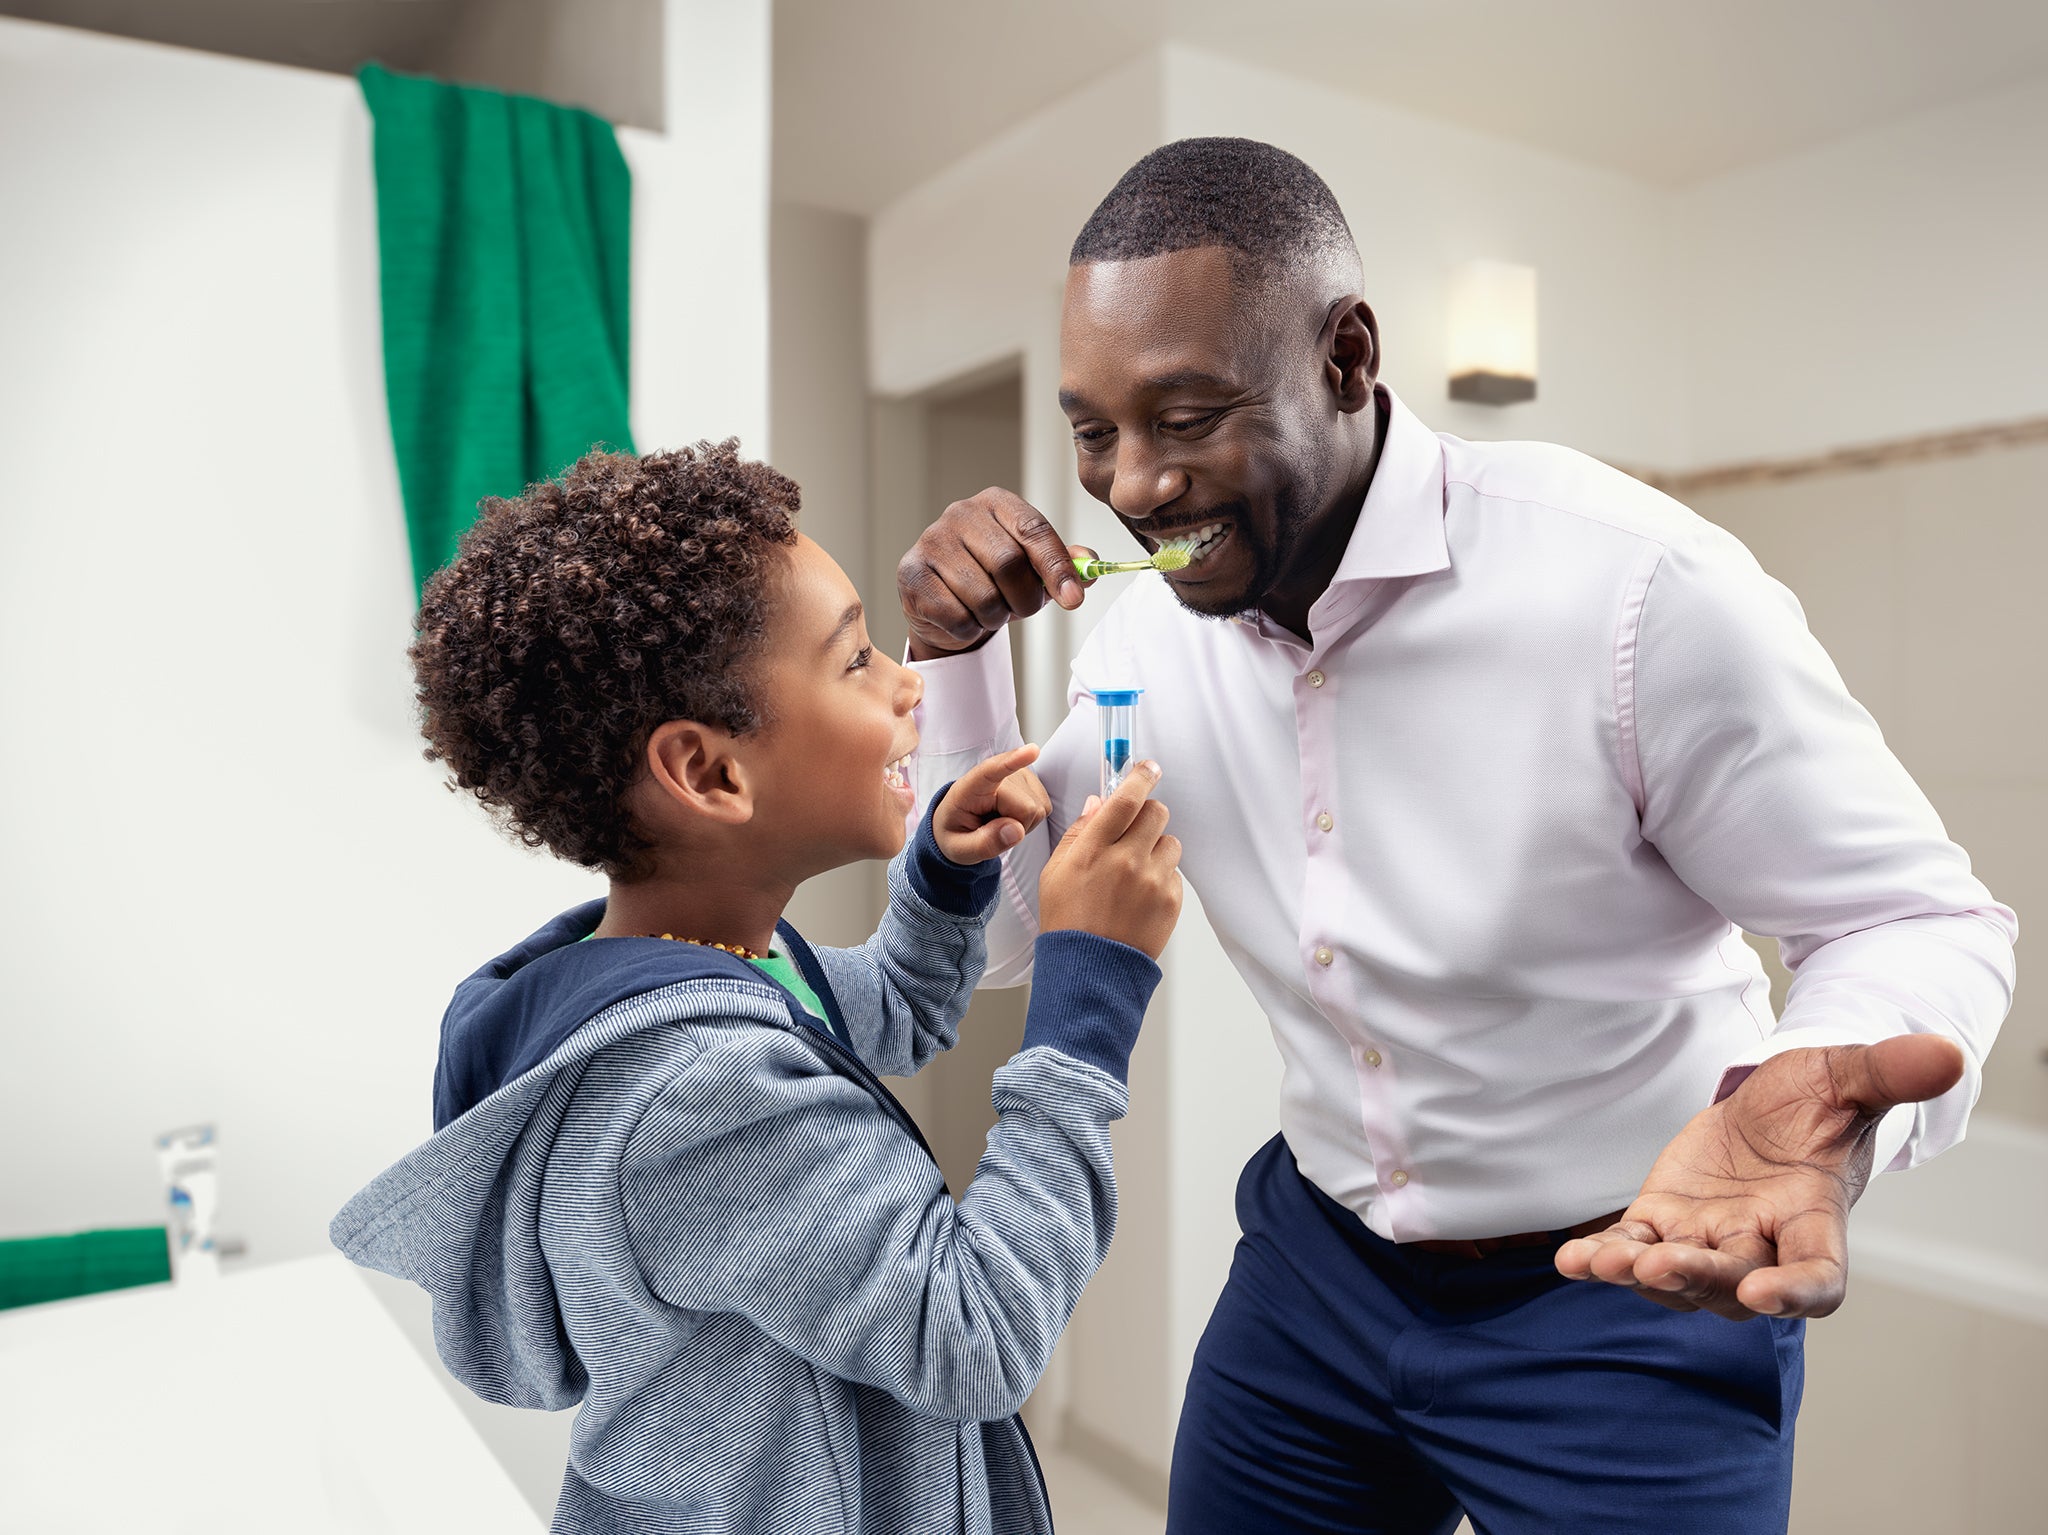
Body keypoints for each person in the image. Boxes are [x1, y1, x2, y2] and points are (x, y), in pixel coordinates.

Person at [897, 139, 2017, 1533]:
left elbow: (1912, 918)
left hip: (1627, 1295)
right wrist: (954, 662)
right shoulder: (1144, 639)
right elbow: (1000, 933)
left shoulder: (1632, 591)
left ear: (1348, 356)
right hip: (1316, 1272)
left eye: (1185, 416)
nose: (1130, 484)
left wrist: (1811, 1100)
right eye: (1094, 430)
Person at [332, 441, 1184, 1535]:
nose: (907, 681)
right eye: (856, 660)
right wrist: (1089, 989)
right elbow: (973, 1329)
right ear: (709, 772)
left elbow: (894, 1007)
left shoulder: (710, 964)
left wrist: (940, 875)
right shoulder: (694, 1083)